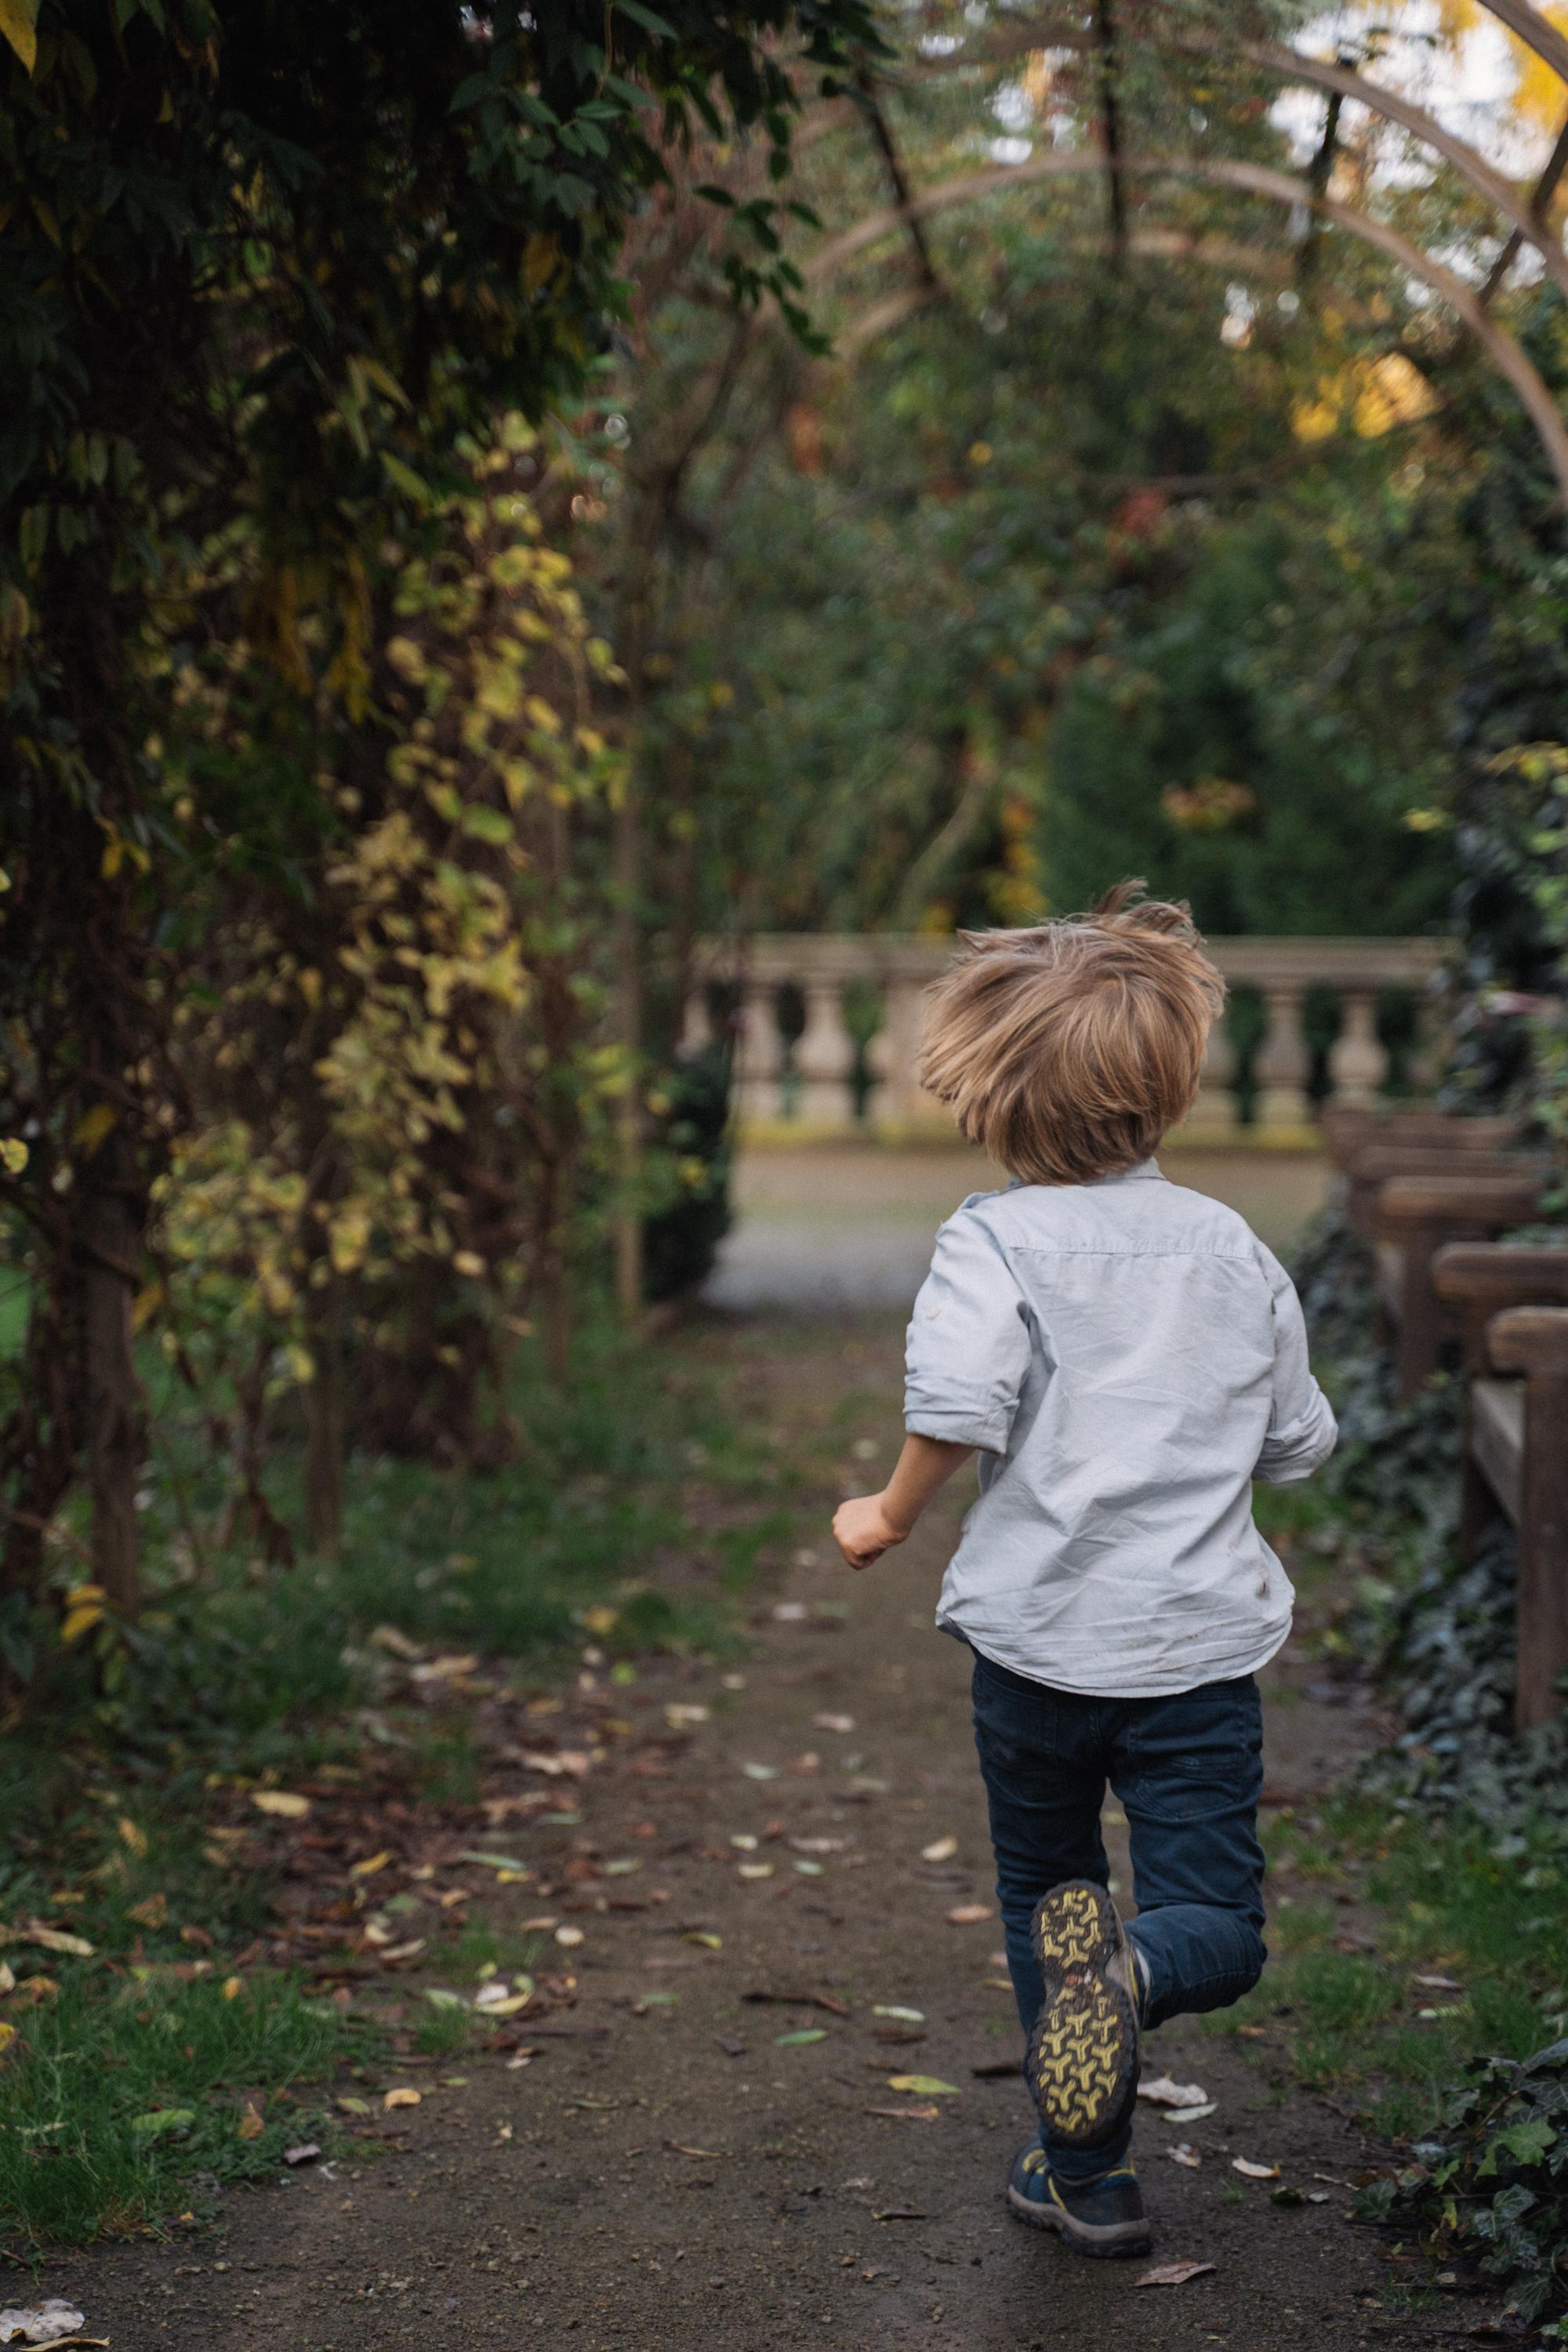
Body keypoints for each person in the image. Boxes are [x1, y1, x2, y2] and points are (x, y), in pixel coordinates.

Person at [831, 884, 1337, 2259]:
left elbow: (957, 1404)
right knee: (1215, 1926)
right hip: (1194, 1654)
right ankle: (1140, 1991)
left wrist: (886, 1513)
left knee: (1049, 1899)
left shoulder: (994, 1240)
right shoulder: (1232, 1247)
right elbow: (1298, 1439)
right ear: (1169, 1083)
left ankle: (1091, 2171)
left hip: (1035, 1647)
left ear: (995, 1090)